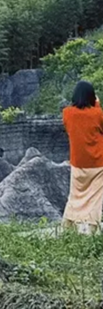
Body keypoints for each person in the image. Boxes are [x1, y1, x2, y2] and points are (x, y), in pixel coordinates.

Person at [62, 80, 103, 234]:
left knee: (75, 195)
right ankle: (91, 230)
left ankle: (67, 227)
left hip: (78, 162)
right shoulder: (97, 113)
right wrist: (97, 105)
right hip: (98, 162)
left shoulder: (67, 113)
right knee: (95, 198)